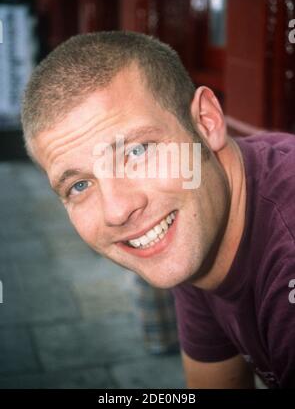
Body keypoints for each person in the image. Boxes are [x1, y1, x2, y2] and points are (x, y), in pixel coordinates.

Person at [21, 31, 295, 388]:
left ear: (206, 122)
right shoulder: (195, 217)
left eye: (137, 152)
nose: (117, 210)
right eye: (80, 185)